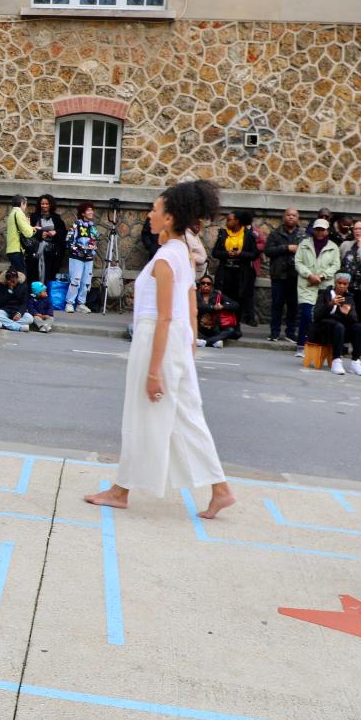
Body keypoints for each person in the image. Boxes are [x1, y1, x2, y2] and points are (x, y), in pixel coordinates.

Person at [85, 180, 235, 520]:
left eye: (154, 210)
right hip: (175, 342)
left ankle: (120, 490)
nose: (149, 215)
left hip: (158, 339)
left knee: (141, 415)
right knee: (187, 417)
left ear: (169, 218)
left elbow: (166, 315)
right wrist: (190, 349)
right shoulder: (182, 251)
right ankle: (220, 488)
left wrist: (154, 371)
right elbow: (192, 307)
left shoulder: (167, 258)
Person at [293, 219, 341, 356]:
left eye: (323, 229)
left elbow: (336, 265)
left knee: (321, 316)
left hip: (324, 286)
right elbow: (298, 262)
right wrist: (309, 275)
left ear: (327, 231)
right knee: (307, 314)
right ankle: (301, 345)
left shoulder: (333, 247)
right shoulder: (304, 244)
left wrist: (322, 276)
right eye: (318, 229)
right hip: (307, 285)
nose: (320, 232)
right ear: (313, 230)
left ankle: (319, 344)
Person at [310, 273, 361, 376]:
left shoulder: (349, 298)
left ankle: (356, 361)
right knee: (338, 326)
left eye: (345, 284)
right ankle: (336, 360)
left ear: (348, 285)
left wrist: (347, 313)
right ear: (335, 283)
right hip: (324, 330)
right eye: (339, 283)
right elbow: (317, 315)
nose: (342, 286)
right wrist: (330, 305)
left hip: (341, 331)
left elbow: (354, 319)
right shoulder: (325, 294)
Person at [212, 210, 260, 326]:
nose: (226, 222)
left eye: (229, 220)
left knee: (238, 300)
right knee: (224, 299)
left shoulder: (248, 235)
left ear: (237, 221)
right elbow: (215, 252)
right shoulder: (223, 234)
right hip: (226, 272)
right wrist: (227, 254)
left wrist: (240, 254)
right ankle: (223, 325)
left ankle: (235, 325)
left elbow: (254, 254)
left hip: (240, 273)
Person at [264, 208, 304, 343]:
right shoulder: (275, 233)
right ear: (283, 217)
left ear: (297, 218)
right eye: (288, 215)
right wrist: (286, 248)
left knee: (293, 306)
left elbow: (308, 253)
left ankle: (290, 332)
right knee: (277, 305)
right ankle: (274, 332)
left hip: (296, 275)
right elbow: (268, 251)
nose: (291, 217)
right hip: (278, 275)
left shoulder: (303, 235)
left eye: (294, 215)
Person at [65, 202, 99, 313]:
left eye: (92, 210)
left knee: (86, 282)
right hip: (77, 257)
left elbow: (95, 239)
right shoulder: (76, 224)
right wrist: (79, 248)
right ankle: (69, 303)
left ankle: (81, 303)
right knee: (75, 280)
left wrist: (92, 246)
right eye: (88, 210)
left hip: (89, 257)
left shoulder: (92, 226)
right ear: (83, 213)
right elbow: (69, 240)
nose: (91, 212)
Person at [28, 194, 67, 286]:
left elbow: (63, 232)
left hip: (51, 252)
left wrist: (55, 232)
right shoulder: (34, 217)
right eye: (42, 204)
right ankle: (36, 294)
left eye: (46, 204)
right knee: (35, 273)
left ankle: (47, 293)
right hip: (37, 251)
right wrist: (40, 234)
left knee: (49, 273)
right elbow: (29, 231)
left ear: (50, 205)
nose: (44, 206)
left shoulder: (56, 218)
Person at [194, 275, 239, 349]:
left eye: (208, 283)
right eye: (203, 283)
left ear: (211, 286)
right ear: (200, 285)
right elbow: (197, 306)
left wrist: (223, 306)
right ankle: (215, 341)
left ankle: (206, 342)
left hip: (215, 328)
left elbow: (235, 305)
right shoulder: (195, 295)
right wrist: (212, 307)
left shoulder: (217, 295)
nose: (205, 285)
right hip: (199, 328)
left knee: (230, 330)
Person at [4, 194, 35, 276]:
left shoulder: (12, 213)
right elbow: (28, 233)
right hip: (17, 250)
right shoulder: (19, 213)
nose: (25, 208)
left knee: (13, 276)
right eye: (25, 205)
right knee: (21, 276)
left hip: (11, 249)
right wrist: (32, 228)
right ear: (22, 203)